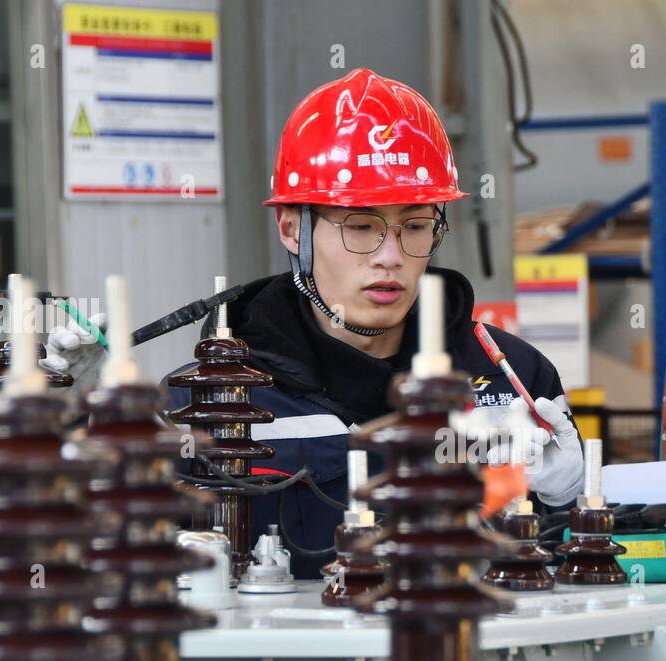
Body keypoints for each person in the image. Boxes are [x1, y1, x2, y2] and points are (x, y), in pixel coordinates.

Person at [165, 68, 585, 576]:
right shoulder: (216, 400)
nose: (390, 257)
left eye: (414, 226)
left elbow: (569, 570)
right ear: (291, 228)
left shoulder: (512, 375)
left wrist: (566, 503)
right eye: (360, 227)